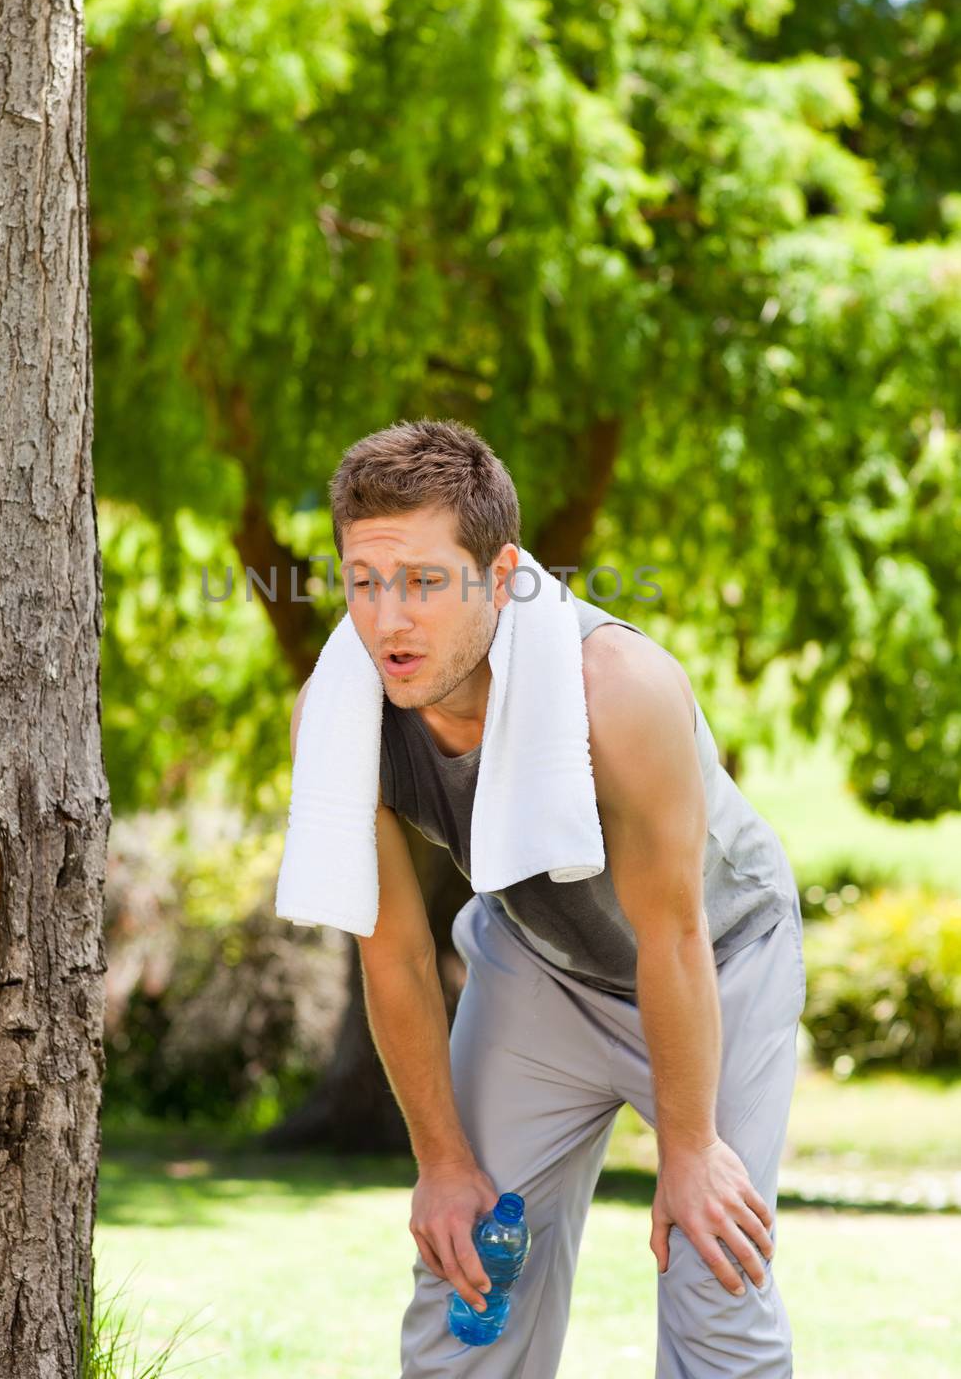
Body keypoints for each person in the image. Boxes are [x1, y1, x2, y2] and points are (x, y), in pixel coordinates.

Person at [290, 418, 805, 1378]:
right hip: (536, 963)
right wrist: (441, 1164)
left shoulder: (617, 689)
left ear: (501, 573)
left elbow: (676, 931)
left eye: (425, 582)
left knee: (713, 1270)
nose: (389, 620)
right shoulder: (342, 712)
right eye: (364, 582)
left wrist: (688, 1149)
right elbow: (393, 954)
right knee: (466, 1277)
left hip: (719, 962)